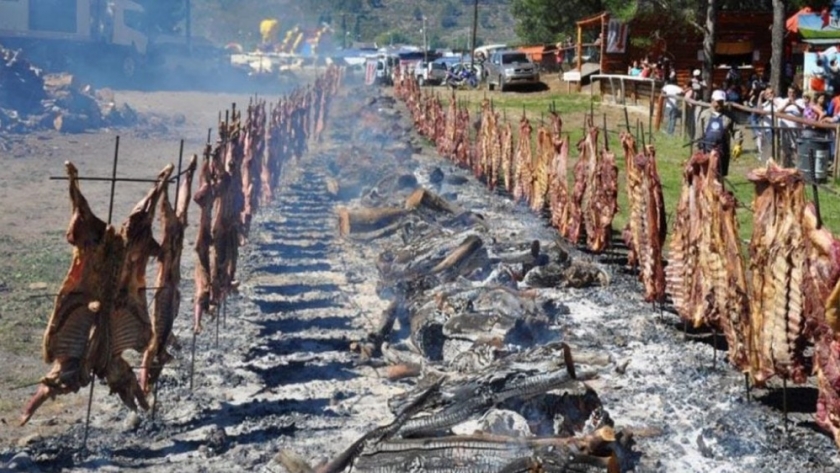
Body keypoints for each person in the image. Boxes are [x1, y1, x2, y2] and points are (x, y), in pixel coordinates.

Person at [694, 89, 743, 177]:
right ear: (712, 100)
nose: (719, 104)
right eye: (717, 102)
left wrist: (738, 144)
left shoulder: (729, 116)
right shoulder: (704, 114)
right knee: (705, 176)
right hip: (706, 150)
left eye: (721, 102)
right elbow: (698, 133)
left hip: (722, 151)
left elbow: (737, 130)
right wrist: (697, 150)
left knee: (719, 177)